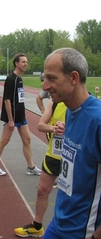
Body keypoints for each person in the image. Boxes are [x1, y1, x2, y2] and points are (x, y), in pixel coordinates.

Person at [41, 48, 101, 239]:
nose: (44, 86)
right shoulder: (69, 110)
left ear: (74, 78)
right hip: (59, 223)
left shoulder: (97, 120)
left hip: (83, 232)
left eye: (51, 78)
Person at [14, 99, 66, 237]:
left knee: (73, 195)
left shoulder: (82, 105)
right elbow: (41, 125)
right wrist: (54, 128)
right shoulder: (55, 102)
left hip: (74, 157)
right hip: (54, 154)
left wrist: (69, 129)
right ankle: (37, 226)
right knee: (42, 191)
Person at [0, 53, 41, 176]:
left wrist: (22, 115)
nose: (26, 64)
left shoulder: (20, 79)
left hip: (21, 117)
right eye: (23, 62)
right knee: (4, 141)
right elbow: (7, 100)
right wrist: (11, 120)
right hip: (12, 118)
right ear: (16, 63)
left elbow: (19, 100)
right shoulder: (11, 79)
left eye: (26, 62)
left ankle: (31, 167)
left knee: (27, 140)